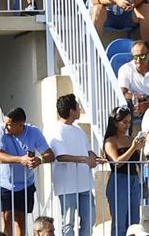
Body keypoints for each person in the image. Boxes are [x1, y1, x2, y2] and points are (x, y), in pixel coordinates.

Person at [0, 107, 53, 236]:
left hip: (26, 183)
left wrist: (39, 160)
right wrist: (20, 160)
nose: (6, 127)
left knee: (20, 218)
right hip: (3, 183)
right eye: (5, 123)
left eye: (9, 125)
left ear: (20, 125)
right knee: (6, 217)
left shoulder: (34, 132)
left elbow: (50, 155)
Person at [47, 93, 100, 236]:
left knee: (89, 221)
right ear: (71, 111)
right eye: (77, 106)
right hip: (66, 185)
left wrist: (97, 159)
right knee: (68, 223)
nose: (79, 109)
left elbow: (89, 151)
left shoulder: (79, 130)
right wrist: (84, 159)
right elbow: (61, 156)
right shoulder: (56, 130)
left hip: (85, 183)